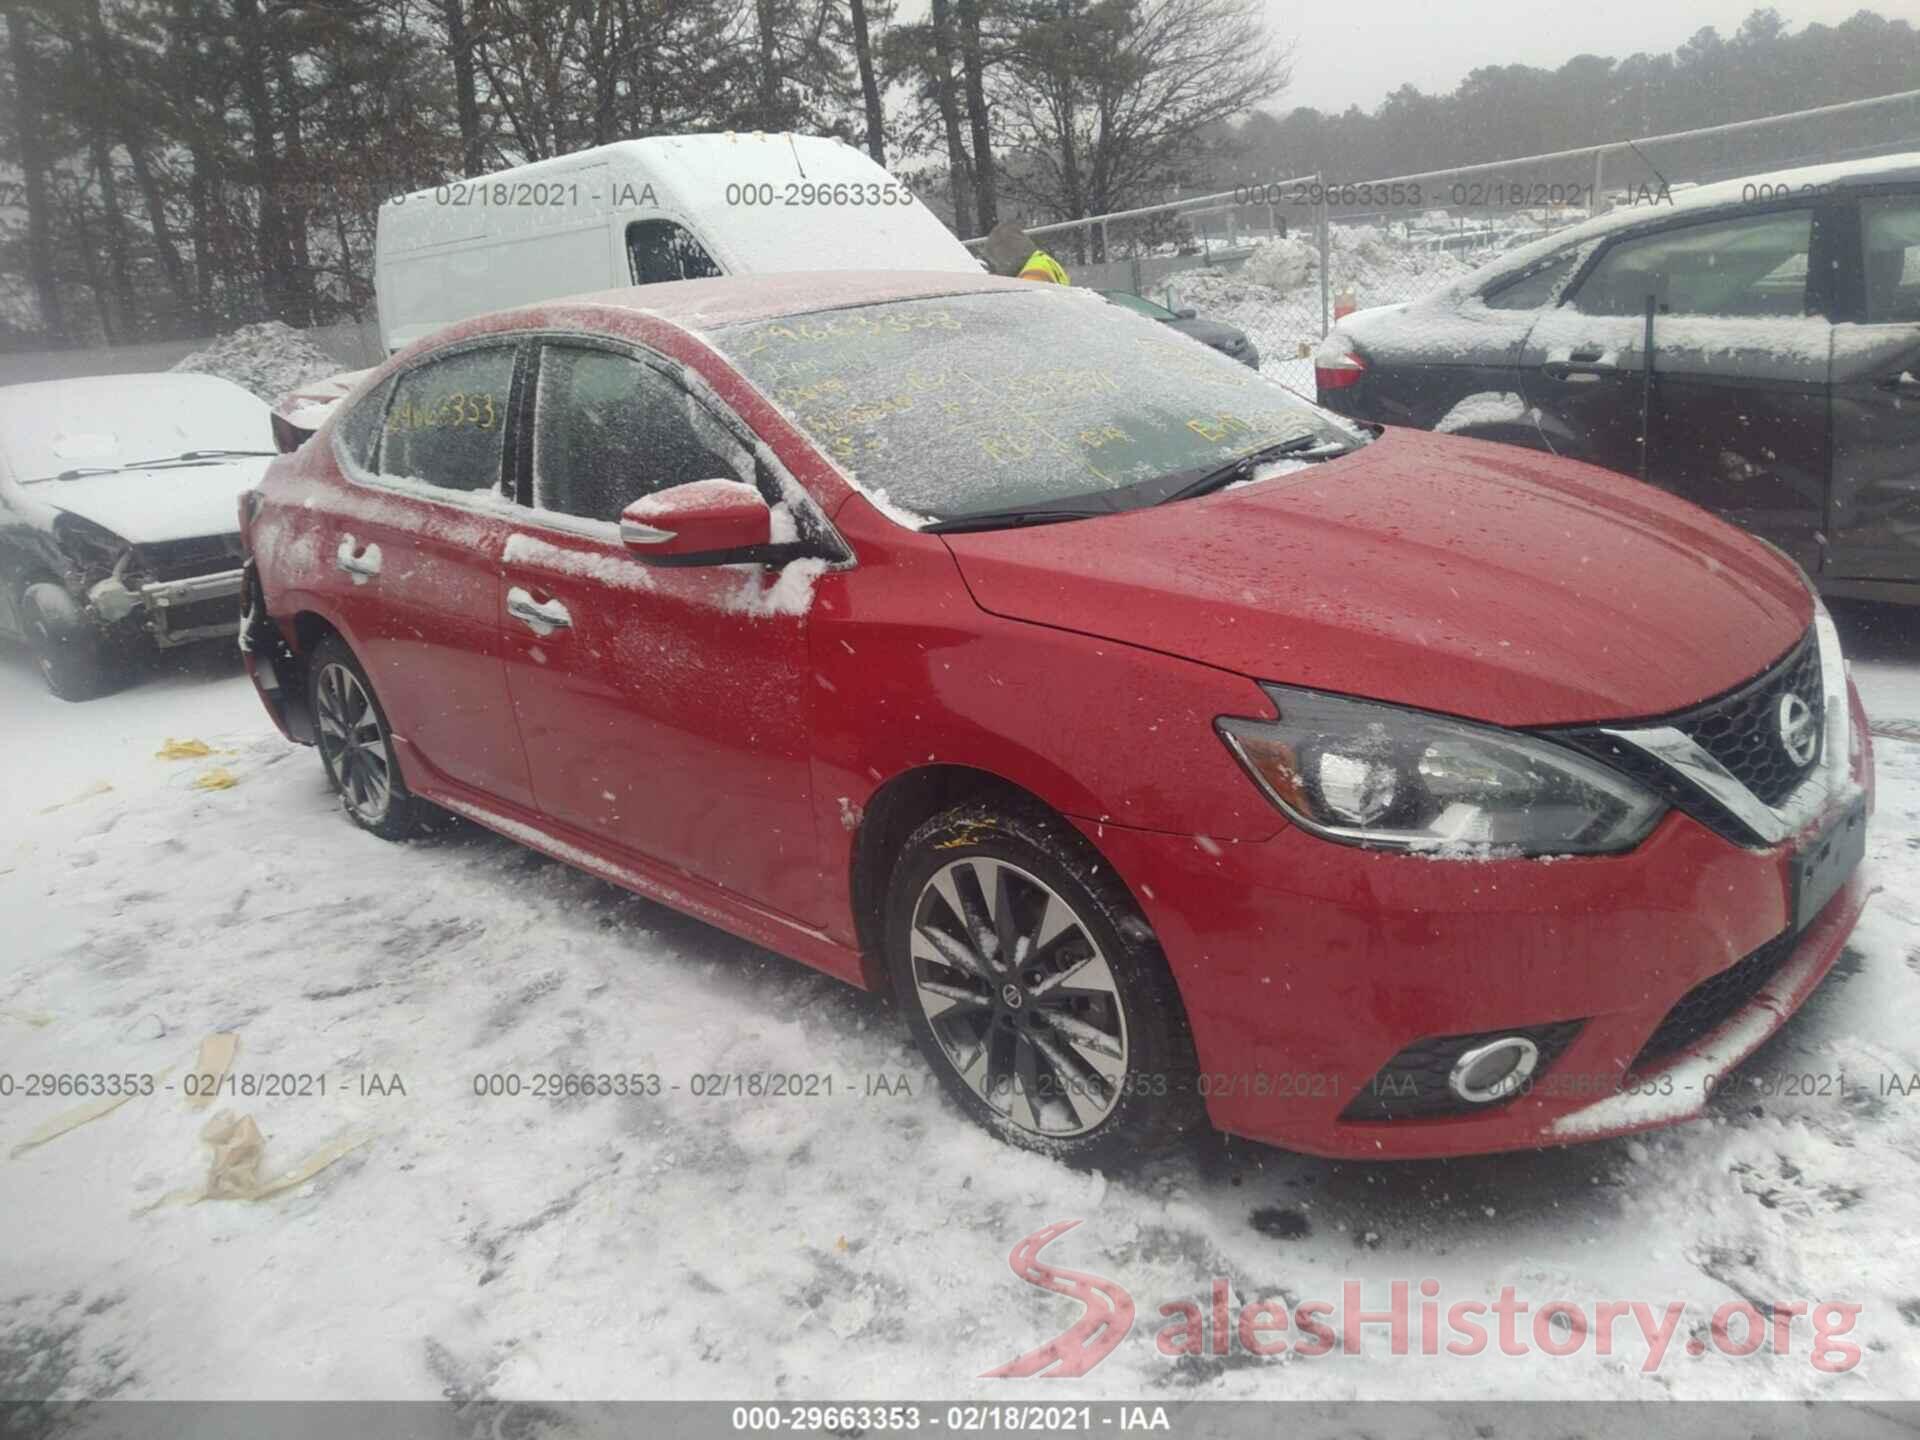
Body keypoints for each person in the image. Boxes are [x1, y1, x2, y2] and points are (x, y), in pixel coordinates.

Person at [984, 220, 1069, 284]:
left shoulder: (1033, 273)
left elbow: (1024, 302)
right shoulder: (1040, 260)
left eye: (997, 261)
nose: (998, 267)